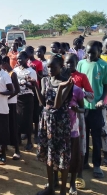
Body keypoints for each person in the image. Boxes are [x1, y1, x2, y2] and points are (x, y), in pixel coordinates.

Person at [31, 54, 73, 195]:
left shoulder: (67, 82)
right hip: (46, 121)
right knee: (49, 154)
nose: (50, 70)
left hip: (60, 123)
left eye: (53, 67)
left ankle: (62, 191)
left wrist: (60, 88)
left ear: (61, 67)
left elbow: (57, 105)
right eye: (48, 67)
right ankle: (50, 187)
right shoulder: (44, 80)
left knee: (62, 155)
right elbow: (43, 102)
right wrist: (36, 86)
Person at [77, 41, 107, 179]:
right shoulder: (81, 63)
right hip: (82, 108)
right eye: (87, 52)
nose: (89, 55)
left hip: (96, 109)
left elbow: (105, 87)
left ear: (99, 51)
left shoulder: (104, 65)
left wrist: (101, 100)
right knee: (82, 137)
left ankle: (96, 165)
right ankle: (84, 162)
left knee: (96, 138)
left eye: (92, 52)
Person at [64, 53, 94, 189]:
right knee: (64, 146)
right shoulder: (61, 76)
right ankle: (62, 171)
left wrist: (80, 91)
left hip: (77, 118)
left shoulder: (81, 77)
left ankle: (79, 174)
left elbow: (91, 96)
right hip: (63, 118)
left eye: (72, 63)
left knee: (79, 146)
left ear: (77, 63)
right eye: (67, 63)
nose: (69, 65)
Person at [13, 51, 37, 151]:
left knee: (28, 120)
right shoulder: (15, 70)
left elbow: (34, 86)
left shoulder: (31, 71)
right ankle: (18, 139)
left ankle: (29, 142)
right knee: (18, 119)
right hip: (18, 98)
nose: (18, 60)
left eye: (20, 58)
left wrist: (26, 85)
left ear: (27, 59)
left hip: (28, 97)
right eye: (17, 58)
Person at [1, 56, 21, 160]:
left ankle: (17, 150)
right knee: (6, 126)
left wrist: (8, 97)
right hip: (4, 103)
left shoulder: (12, 74)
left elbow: (16, 90)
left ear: (5, 63)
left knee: (13, 126)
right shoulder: (4, 74)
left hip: (11, 103)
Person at [68, 84, 85, 195]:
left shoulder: (77, 90)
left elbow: (83, 109)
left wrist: (77, 109)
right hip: (57, 128)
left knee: (74, 156)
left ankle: (72, 183)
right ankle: (54, 180)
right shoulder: (52, 86)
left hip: (72, 129)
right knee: (55, 155)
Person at [25, 46, 43, 144]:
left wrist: (34, 70)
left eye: (28, 52)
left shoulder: (38, 63)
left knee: (35, 112)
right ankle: (28, 130)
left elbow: (41, 77)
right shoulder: (26, 63)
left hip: (35, 90)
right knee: (28, 112)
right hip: (27, 90)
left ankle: (36, 134)